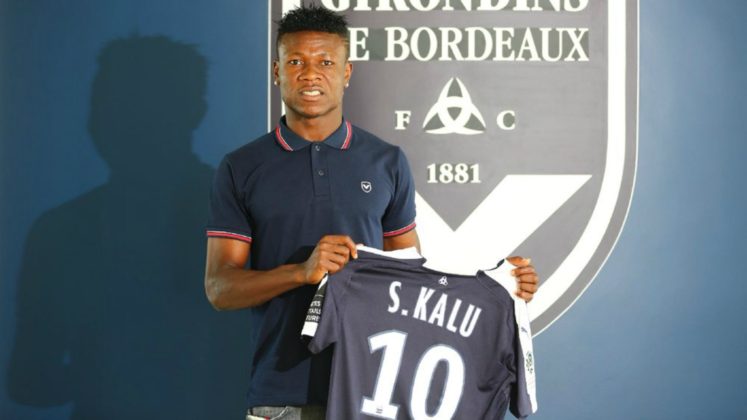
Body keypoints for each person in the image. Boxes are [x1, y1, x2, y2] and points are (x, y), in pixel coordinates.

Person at [203, 5, 539, 419]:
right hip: (282, 394)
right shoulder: (242, 167)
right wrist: (300, 272)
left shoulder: (386, 162)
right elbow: (220, 289)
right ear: (277, 71)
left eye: (326, 62)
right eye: (296, 62)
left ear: (347, 73)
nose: (310, 74)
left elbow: (412, 281)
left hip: (375, 394)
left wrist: (499, 287)